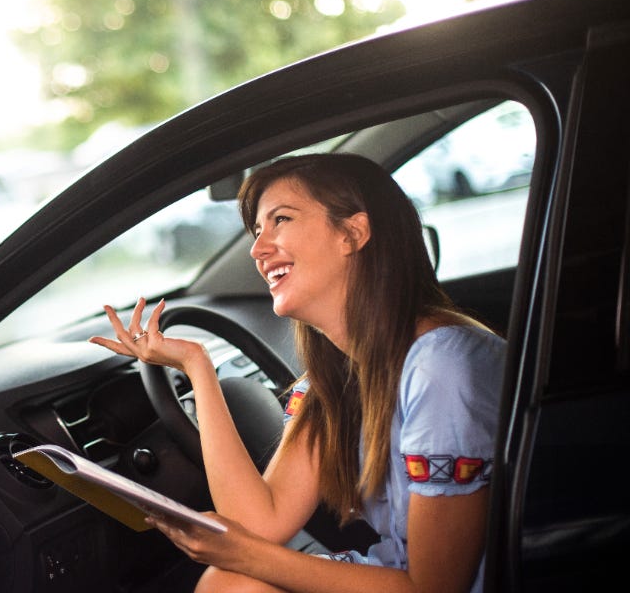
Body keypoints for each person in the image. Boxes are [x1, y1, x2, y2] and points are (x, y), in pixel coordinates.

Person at [91, 153, 505, 593]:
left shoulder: (440, 366)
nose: (257, 249)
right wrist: (198, 368)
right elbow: (258, 522)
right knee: (230, 582)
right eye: (256, 231)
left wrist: (246, 554)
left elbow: (435, 588)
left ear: (353, 233)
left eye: (281, 220)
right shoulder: (337, 378)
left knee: (231, 581)